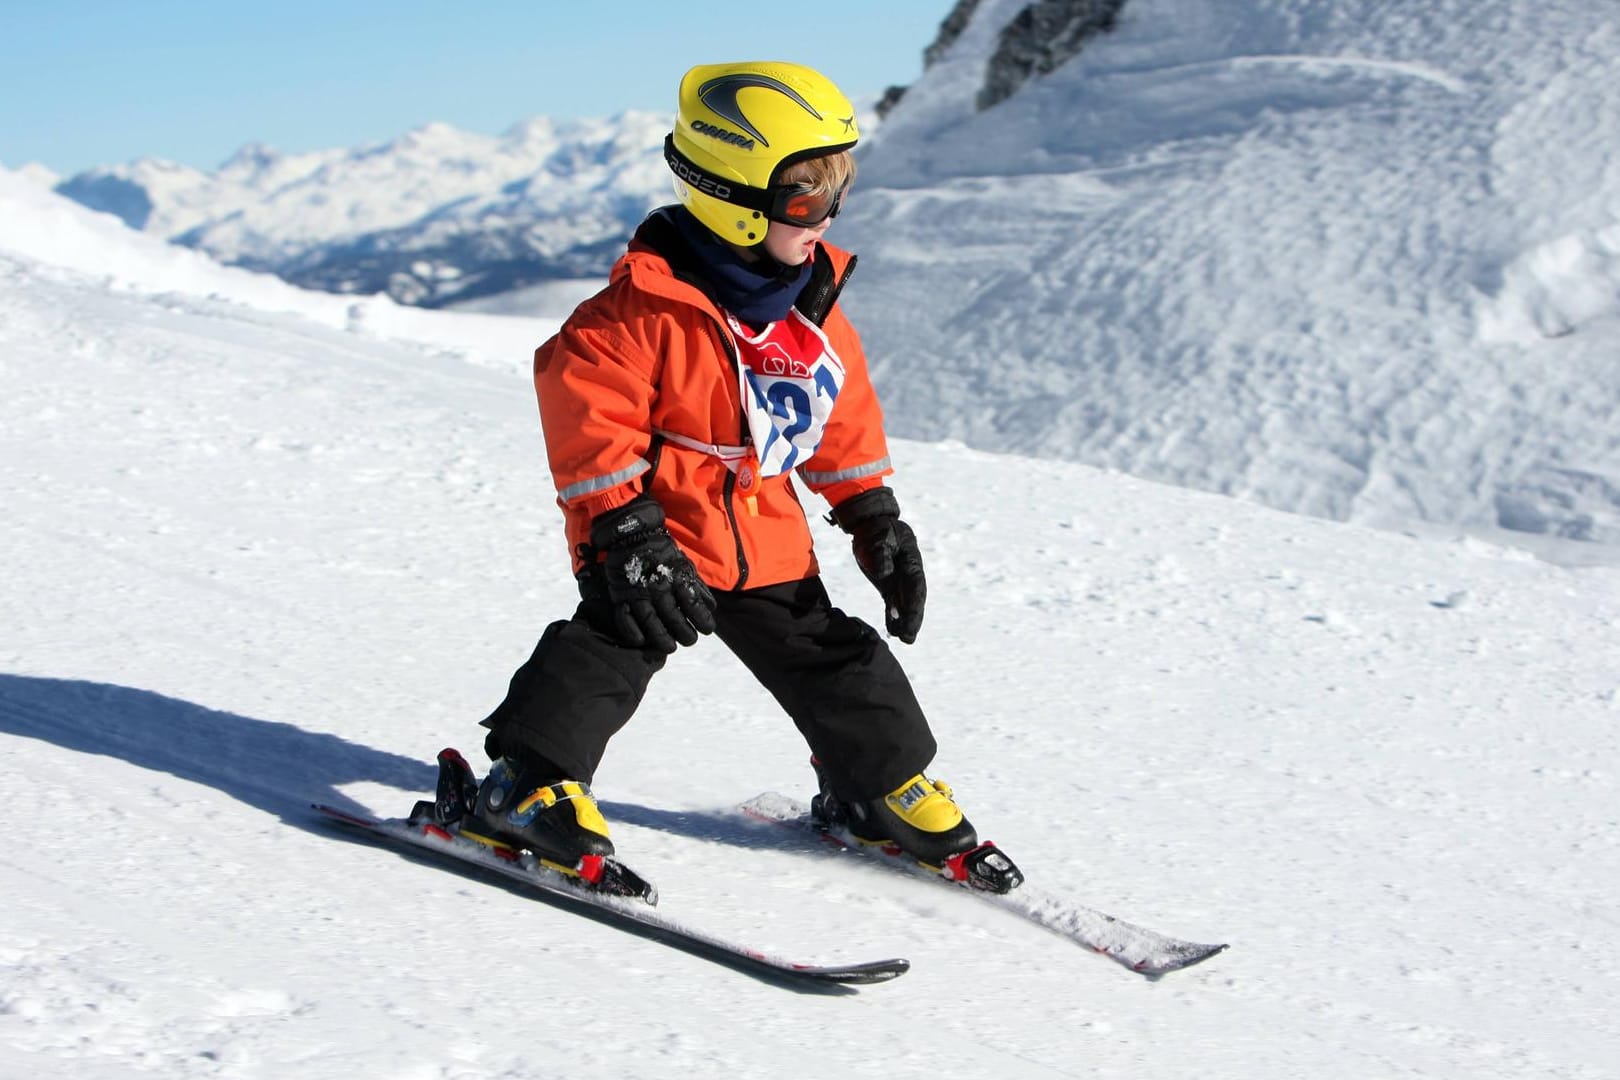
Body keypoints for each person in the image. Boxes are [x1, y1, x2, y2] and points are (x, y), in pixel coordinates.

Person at [466, 60, 981, 877]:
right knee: (609, 647)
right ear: (736, 201)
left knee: (833, 656)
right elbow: (585, 410)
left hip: (765, 534)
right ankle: (524, 784)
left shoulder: (809, 306)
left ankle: (875, 786)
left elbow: (836, 417)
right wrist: (623, 527)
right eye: (806, 199)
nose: (827, 217)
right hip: (658, 537)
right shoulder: (640, 312)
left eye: (837, 194)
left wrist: (873, 515)